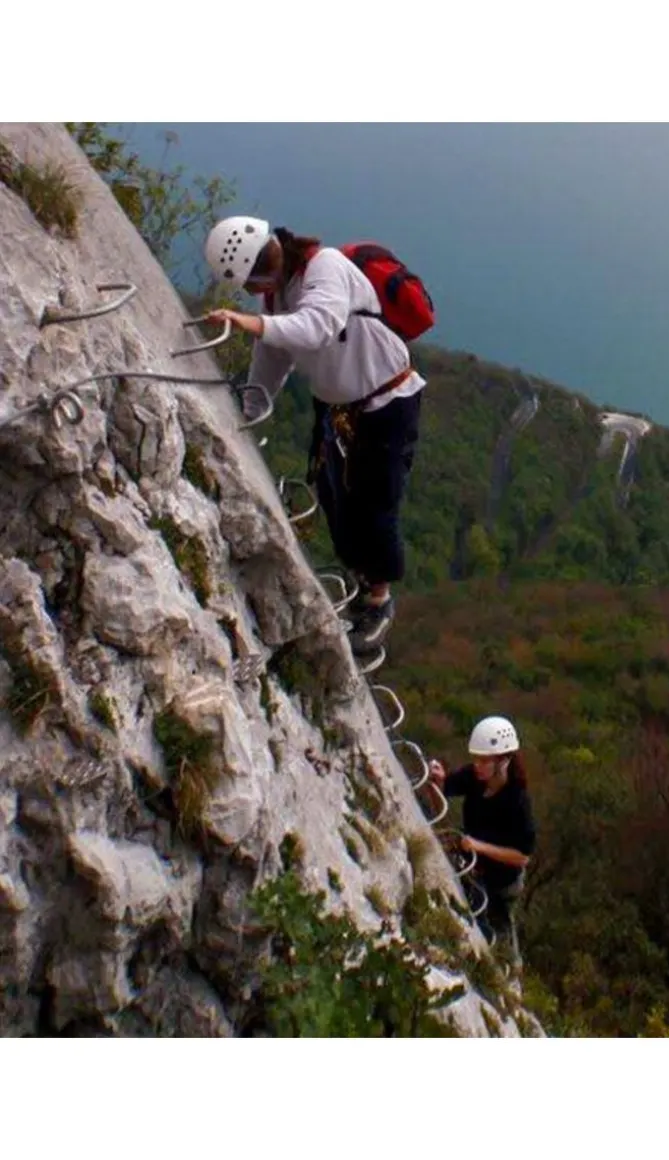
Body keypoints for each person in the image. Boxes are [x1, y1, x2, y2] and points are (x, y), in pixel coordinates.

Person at [202, 215, 425, 656]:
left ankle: (379, 602)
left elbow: (317, 325)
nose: (252, 290)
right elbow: (273, 356)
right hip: (341, 407)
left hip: (388, 401)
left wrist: (251, 323)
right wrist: (250, 407)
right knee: (336, 499)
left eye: (251, 279)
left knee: (375, 505)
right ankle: (363, 584)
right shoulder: (278, 295)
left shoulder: (324, 267)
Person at [429, 716, 536, 970]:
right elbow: (444, 793)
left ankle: (509, 981)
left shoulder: (517, 801)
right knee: (474, 919)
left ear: (504, 760)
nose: (477, 765)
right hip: (475, 867)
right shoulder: (473, 777)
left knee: (500, 936)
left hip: (502, 882)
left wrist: (479, 846)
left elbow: (522, 857)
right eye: (476, 757)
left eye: (485, 760)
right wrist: (436, 780)